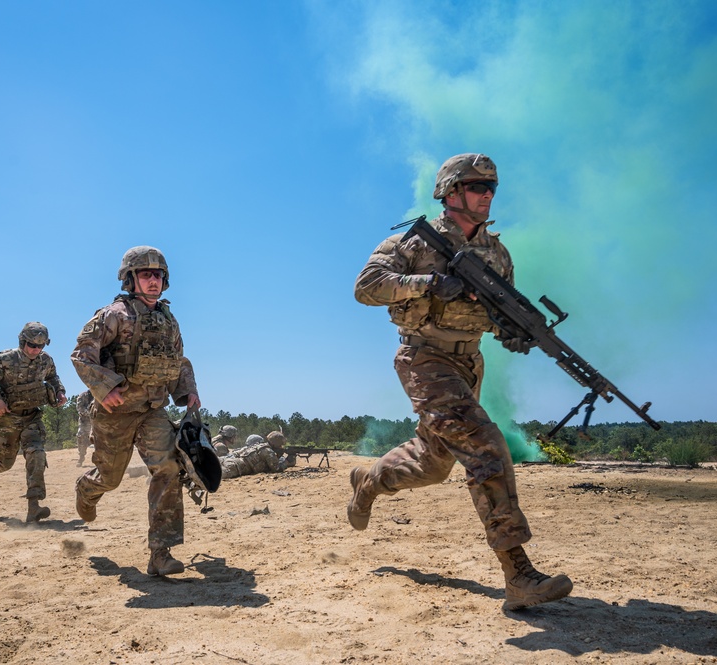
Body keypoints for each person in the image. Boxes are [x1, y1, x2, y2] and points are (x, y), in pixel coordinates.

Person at [348, 153, 573, 612]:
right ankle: (519, 575)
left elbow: (494, 315)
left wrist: (512, 332)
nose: (486, 194)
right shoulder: (411, 243)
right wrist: (429, 282)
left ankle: (369, 481)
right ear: (450, 192)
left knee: (433, 464)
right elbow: (366, 287)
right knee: (485, 445)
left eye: (491, 187)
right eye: (476, 186)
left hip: (469, 363)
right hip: (424, 358)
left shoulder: (498, 254)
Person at [71, 246, 200, 577]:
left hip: (153, 409)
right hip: (116, 412)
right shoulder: (113, 315)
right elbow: (82, 355)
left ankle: (161, 552)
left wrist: (188, 392)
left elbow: (178, 361)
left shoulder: (168, 321)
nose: (153, 281)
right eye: (146, 274)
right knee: (111, 479)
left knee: (168, 469)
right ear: (131, 279)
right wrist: (106, 387)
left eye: (158, 275)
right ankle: (87, 489)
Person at [0, 322, 67, 523]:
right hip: (7, 419)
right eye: (31, 345)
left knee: (36, 454)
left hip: (32, 416)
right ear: (22, 341)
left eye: (41, 346)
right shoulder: (5, 359)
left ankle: (33, 507)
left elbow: (53, 377)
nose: (36, 350)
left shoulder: (45, 360)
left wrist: (60, 391)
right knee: (6, 462)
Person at [220, 431, 294, 479]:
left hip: (231, 461)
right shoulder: (268, 451)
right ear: (276, 444)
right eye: (280, 445)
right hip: (235, 467)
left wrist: (278, 456)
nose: (281, 447)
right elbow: (276, 469)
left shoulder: (261, 446)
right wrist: (287, 462)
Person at [75, 390, 94, 467]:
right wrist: (91, 414)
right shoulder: (82, 396)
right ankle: (81, 458)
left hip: (98, 420)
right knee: (81, 437)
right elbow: (80, 408)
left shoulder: (100, 393)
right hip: (85, 421)